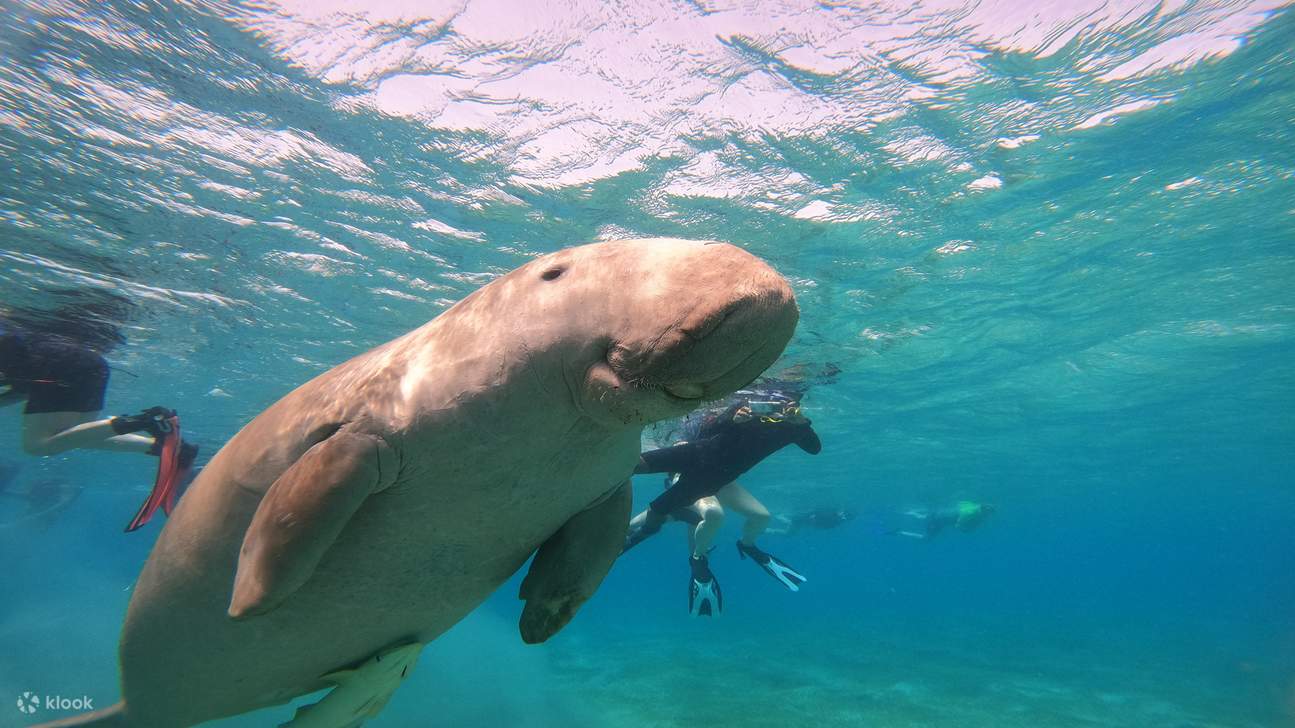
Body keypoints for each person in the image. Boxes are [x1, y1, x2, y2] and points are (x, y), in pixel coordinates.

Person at [622, 389, 822, 616]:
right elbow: (705, 431)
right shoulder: (745, 410)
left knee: (761, 517)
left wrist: (802, 422)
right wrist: (733, 418)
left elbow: (814, 449)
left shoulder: (793, 427)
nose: (777, 406)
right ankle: (697, 559)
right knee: (712, 513)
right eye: (772, 401)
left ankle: (747, 545)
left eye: (786, 402)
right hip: (695, 463)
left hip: (721, 479)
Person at [0, 324, 197, 530]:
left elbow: (23, 378)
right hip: (91, 362)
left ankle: (143, 421)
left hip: (57, 365)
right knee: (75, 435)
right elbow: (21, 385)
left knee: (37, 446)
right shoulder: (18, 343)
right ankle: (163, 447)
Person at [895, 500, 996, 540]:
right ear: (984, 511)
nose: (989, 516)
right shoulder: (970, 513)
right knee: (925, 539)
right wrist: (967, 529)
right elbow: (958, 526)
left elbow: (961, 503)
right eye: (988, 513)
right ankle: (900, 532)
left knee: (923, 517)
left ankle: (909, 513)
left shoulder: (974, 506)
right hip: (939, 521)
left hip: (941, 514)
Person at [765, 506, 856, 537]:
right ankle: (773, 521)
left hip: (805, 520)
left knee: (790, 528)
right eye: (844, 515)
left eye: (846, 518)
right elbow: (818, 514)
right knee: (788, 532)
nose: (844, 518)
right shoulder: (833, 515)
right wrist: (811, 518)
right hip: (803, 519)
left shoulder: (836, 520)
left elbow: (823, 525)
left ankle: (777, 517)